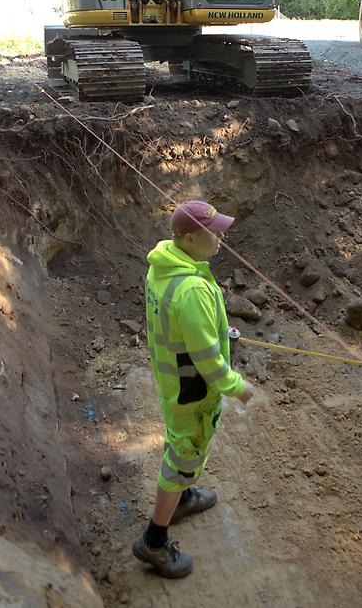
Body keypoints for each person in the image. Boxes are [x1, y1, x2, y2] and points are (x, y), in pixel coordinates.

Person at [132, 200, 254, 578]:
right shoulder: (193, 289)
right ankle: (154, 541)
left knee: (179, 440)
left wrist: (220, 331)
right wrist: (237, 386)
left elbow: (184, 326)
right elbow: (207, 360)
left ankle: (182, 497)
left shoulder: (165, 267)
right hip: (192, 387)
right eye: (212, 231)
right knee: (185, 453)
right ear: (188, 237)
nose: (220, 237)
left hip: (173, 379)